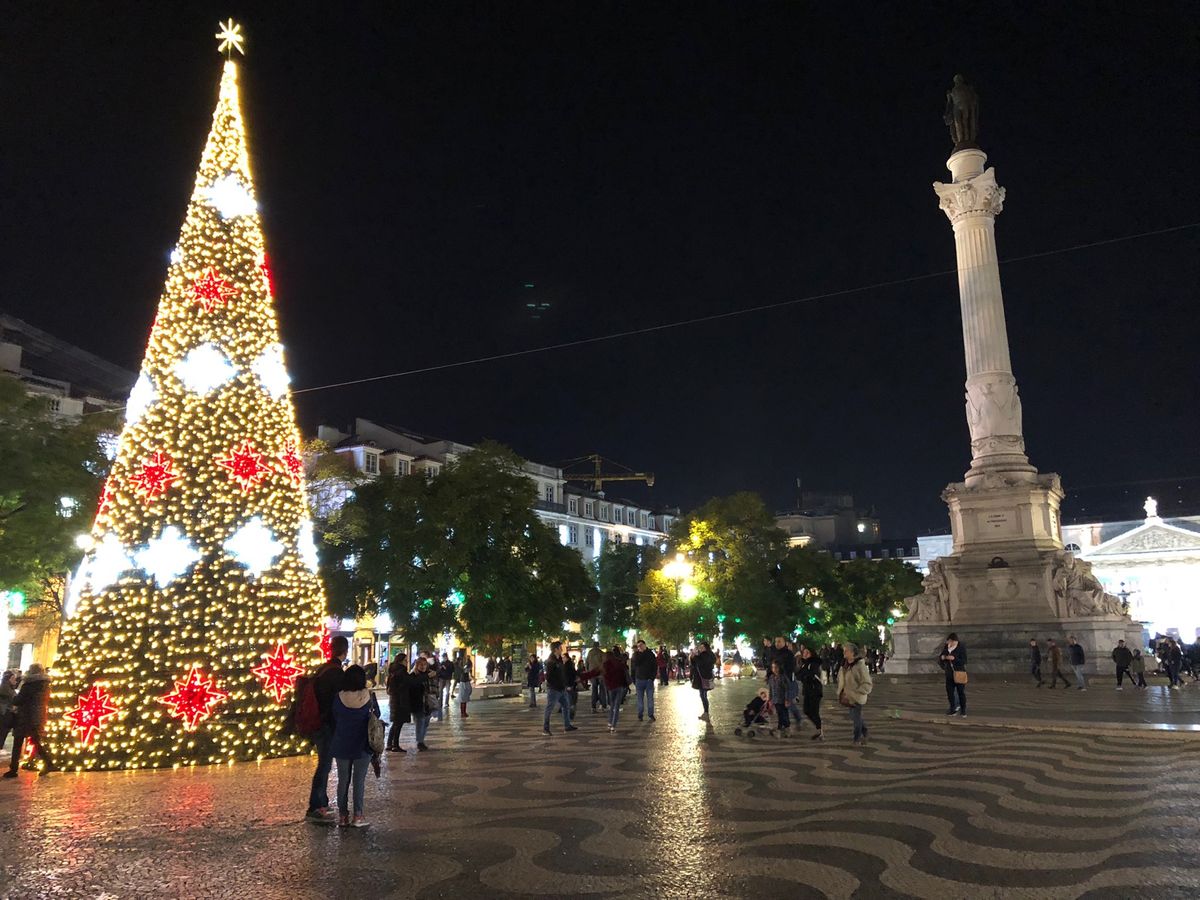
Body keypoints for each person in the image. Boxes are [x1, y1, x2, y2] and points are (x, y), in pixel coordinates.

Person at [305, 635, 348, 822]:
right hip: (326, 725)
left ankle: (321, 801)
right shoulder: (336, 672)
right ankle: (316, 806)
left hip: (318, 722)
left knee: (324, 764)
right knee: (324, 765)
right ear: (344, 651)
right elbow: (337, 701)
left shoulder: (323, 668)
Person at [331, 664, 378, 827]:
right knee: (359, 781)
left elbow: (334, 716)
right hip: (362, 744)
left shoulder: (338, 697)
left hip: (342, 742)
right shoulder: (368, 696)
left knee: (343, 780)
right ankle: (358, 816)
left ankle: (342, 816)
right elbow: (376, 716)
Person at [3, 664, 54, 778]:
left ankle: (13, 769)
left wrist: (13, 697)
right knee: (36, 741)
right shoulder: (45, 685)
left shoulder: (29, 685)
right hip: (38, 716)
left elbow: (18, 700)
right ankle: (48, 762)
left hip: (25, 717)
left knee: (18, 742)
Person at [838, 642, 873, 745]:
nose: (844, 652)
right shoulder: (844, 665)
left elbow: (867, 682)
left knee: (856, 718)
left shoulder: (859, 666)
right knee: (854, 716)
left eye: (846, 650)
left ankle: (856, 738)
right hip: (848, 696)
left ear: (852, 653)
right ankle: (865, 732)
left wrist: (859, 692)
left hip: (857, 696)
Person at [542, 642, 577, 735]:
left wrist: (565, 684)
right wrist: (556, 685)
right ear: (555, 649)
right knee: (549, 708)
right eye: (560, 648)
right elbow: (548, 677)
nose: (562, 649)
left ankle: (567, 725)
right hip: (554, 689)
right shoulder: (551, 661)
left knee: (566, 706)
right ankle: (545, 729)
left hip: (562, 688)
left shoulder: (559, 660)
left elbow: (562, 674)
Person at [408, 656, 438, 750]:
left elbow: (435, 687)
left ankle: (421, 740)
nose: (423, 666)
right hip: (418, 703)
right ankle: (420, 742)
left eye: (425, 664)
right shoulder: (413, 675)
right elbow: (412, 686)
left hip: (428, 703)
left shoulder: (430, 674)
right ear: (417, 665)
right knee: (420, 722)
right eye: (420, 664)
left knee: (426, 723)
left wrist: (436, 697)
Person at [797, 645, 824, 741]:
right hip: (807, 690)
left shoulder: (814, 663)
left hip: (815, 691)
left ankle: (820, 731)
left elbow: (811, 675)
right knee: (806, 710)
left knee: (814, 711)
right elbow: (799, 675)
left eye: (807, 652)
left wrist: (805, 675)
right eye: (804, 653)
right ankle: (818, 728)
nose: (805, 654)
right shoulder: (804, 664)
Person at [602, 647, 631, 733]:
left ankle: (610, 723)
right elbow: (625, 672)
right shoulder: (619, 663)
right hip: (619, 687)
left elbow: (605, 677)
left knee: (612, 706)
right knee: (616, 706)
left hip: (611, 687)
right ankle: (613, 725)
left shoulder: (606, 664)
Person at [385, 656, 410, 753]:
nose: (406, 662)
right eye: (405, 660)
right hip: (400, 700)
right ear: (400, 661)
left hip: (394, 699)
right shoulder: (401, 672)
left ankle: (389, 744)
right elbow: (405, 684)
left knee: (396, 723)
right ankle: (395, 745)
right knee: (398, 723)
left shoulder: (393, 671)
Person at [938, 633, 967, 717]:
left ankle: (963, 710)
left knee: (961, 692)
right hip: (949, 673)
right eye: (948, 641)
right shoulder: (946, 647)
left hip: (959, 673)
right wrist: (943, 657)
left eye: (950, 641)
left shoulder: (961, 647)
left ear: (954, 640)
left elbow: (964, 661)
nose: (949, 643)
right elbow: (941, 656)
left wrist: (954, 659)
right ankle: (952, 709)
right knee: (950, 692)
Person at [631, 639, 658, 722]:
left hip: (648, 680)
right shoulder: (636, 654)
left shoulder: (650, 654)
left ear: (645, 645)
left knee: (650, 699)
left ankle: (650, 714)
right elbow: (635, 664)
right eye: (638, 646)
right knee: (640, 699)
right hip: (639, 680)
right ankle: (640, 714)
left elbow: (655, 666)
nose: (640, 647)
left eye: (641, 645)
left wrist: (652, 678)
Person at [690, 641, 717, 721]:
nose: (700, 649)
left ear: (706, 648)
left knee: (703, 695)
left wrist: (694, 656)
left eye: (702, 647)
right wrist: (694, 657)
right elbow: (695, 664)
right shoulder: (710, 655)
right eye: (700, 647)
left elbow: (700, 663)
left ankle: (706, 713)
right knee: (703, 695)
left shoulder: (705, 655)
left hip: (703, 678)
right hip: (706, 677)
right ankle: (705, 713)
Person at [766, 660, 791, 734]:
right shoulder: (771, 677)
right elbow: (770, 689)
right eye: (773, 667)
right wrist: (770, 699)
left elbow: (787, 689)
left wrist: (787, 699)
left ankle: (787, 727)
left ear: (780, 668)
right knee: (779, 713)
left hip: (783, 699)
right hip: (775, 699)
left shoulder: (783, 677)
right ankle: (780, 727)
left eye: (776, 667)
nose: (774, 669)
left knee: (784, 714)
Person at [585, 641, 608, 712]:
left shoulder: (590, 653)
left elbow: (586, 663)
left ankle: (593, 707)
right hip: (600, 674)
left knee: (594, 690)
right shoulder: (601, 653)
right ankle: (603, 706)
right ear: (598, 646)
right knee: (602, 689)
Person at [0, 671, 17, 752]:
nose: (15, 681)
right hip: (5, 715)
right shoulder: (6, 689)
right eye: (13, 679)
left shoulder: (9, 688)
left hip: (6, 714)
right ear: (8, 679)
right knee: (2, 733)